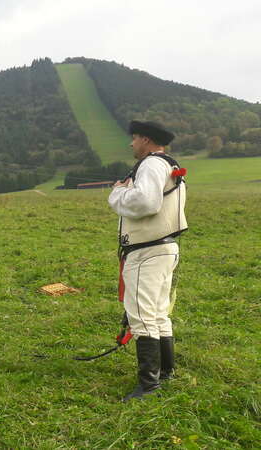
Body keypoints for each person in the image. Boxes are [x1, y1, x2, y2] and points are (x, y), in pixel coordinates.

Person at [109, 120, 187, 402]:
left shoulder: (151, 164)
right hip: (163, 248)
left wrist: (117, 192)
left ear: (145, 139)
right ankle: (165, 373)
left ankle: (148, 385)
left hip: (148, 251)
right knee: (157, 314)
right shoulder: (165, 164)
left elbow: (146, 202)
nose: (131, 143)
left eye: (134, 138)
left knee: (142, 315)